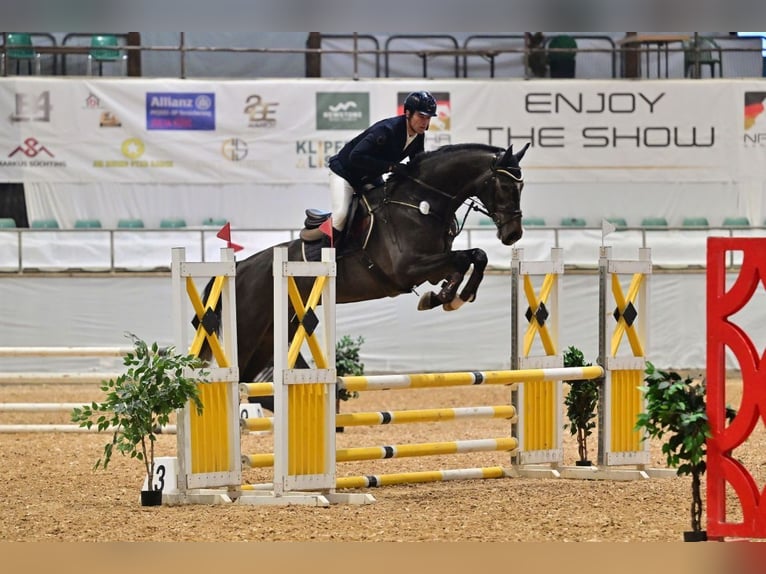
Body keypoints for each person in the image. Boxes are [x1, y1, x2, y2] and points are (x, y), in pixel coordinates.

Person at [326, 90, 438, 240]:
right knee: (340, 216)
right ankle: (324, 254)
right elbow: (356, 157)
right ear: (408, 113)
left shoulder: (418, 136)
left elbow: (417, 164)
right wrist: (391, 167)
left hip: (369, 177)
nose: (425, 122)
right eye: (421, 116)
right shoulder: (387, 130)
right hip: (345, 173)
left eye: (428, 118)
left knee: (385, 209)